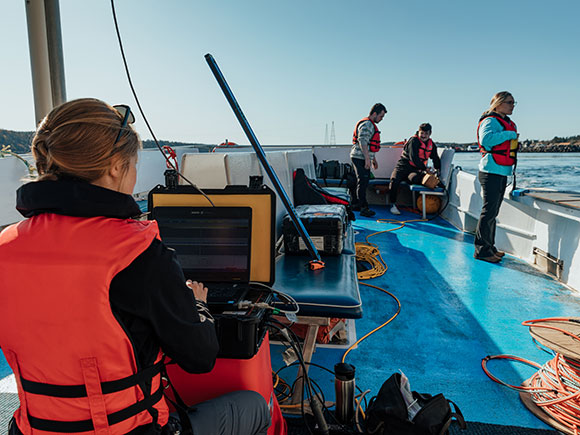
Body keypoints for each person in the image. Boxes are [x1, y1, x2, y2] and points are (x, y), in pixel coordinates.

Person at [0, 98, 270, 435]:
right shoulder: (140, 255)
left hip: (33, 429)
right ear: (115, 166)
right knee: (257, 407)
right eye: (133, 164)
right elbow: (200, 357)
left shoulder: (5, 248)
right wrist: (197, 304)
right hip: (133, 430)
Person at [474, 91, 518, 263]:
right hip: (490, 171)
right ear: (498, 104)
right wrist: (510, 135)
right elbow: (486, 140)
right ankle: (482, 251)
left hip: (501, 172)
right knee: (488, 212)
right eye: (509, 102)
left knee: (493, 213)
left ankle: (490, 247)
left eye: (514, 102)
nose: (512, 105)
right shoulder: (490, 121)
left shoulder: (506, 122)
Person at [388, 123, 441, 215]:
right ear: (418, 132)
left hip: (414, 170)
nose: (423, 136)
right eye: (422, 133)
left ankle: (418, 205)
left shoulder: (431, 144)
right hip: (402, 167)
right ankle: (393, 204)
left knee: (415, 179)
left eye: (426, 134)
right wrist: (425, 168)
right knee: (394, 180)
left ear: (430, 133)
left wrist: (438, 169)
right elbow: (414, 158)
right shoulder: (414, 141)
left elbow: (435, 158)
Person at [351, 103, 387, 217]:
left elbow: (370, 145)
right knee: (363, 181)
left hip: (362, 157)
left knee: (363, 181)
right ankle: (363, 207)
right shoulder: (367, 124)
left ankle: (357, 204)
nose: (381, 119)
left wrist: (373, 159)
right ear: (374, 114)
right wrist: (367, 159)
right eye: (381, 116)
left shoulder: (370, 124)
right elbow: (362, 141)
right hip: (359, 157)